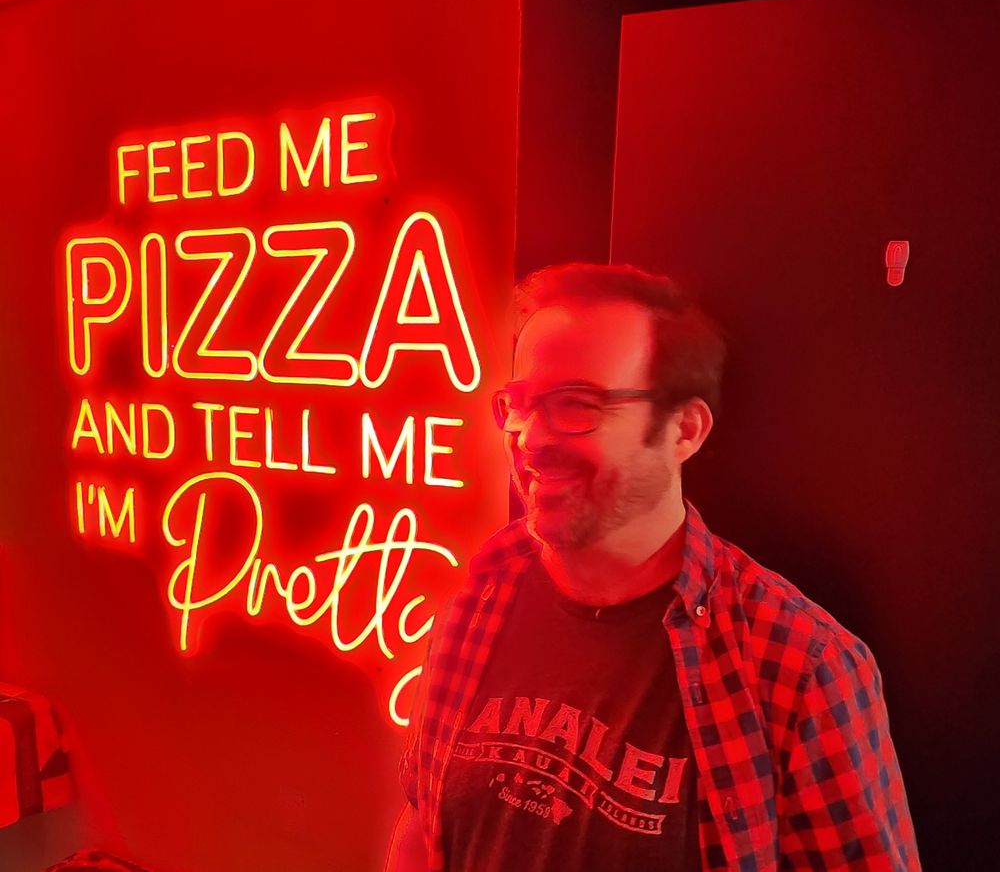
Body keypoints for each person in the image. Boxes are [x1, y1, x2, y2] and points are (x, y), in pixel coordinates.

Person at [385, 264, 920, 871]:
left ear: (685, 430)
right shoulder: (483, 592)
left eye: (576, 405)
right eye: (520, 404)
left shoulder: (801, 669)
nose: (529, 439)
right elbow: (424, 820)